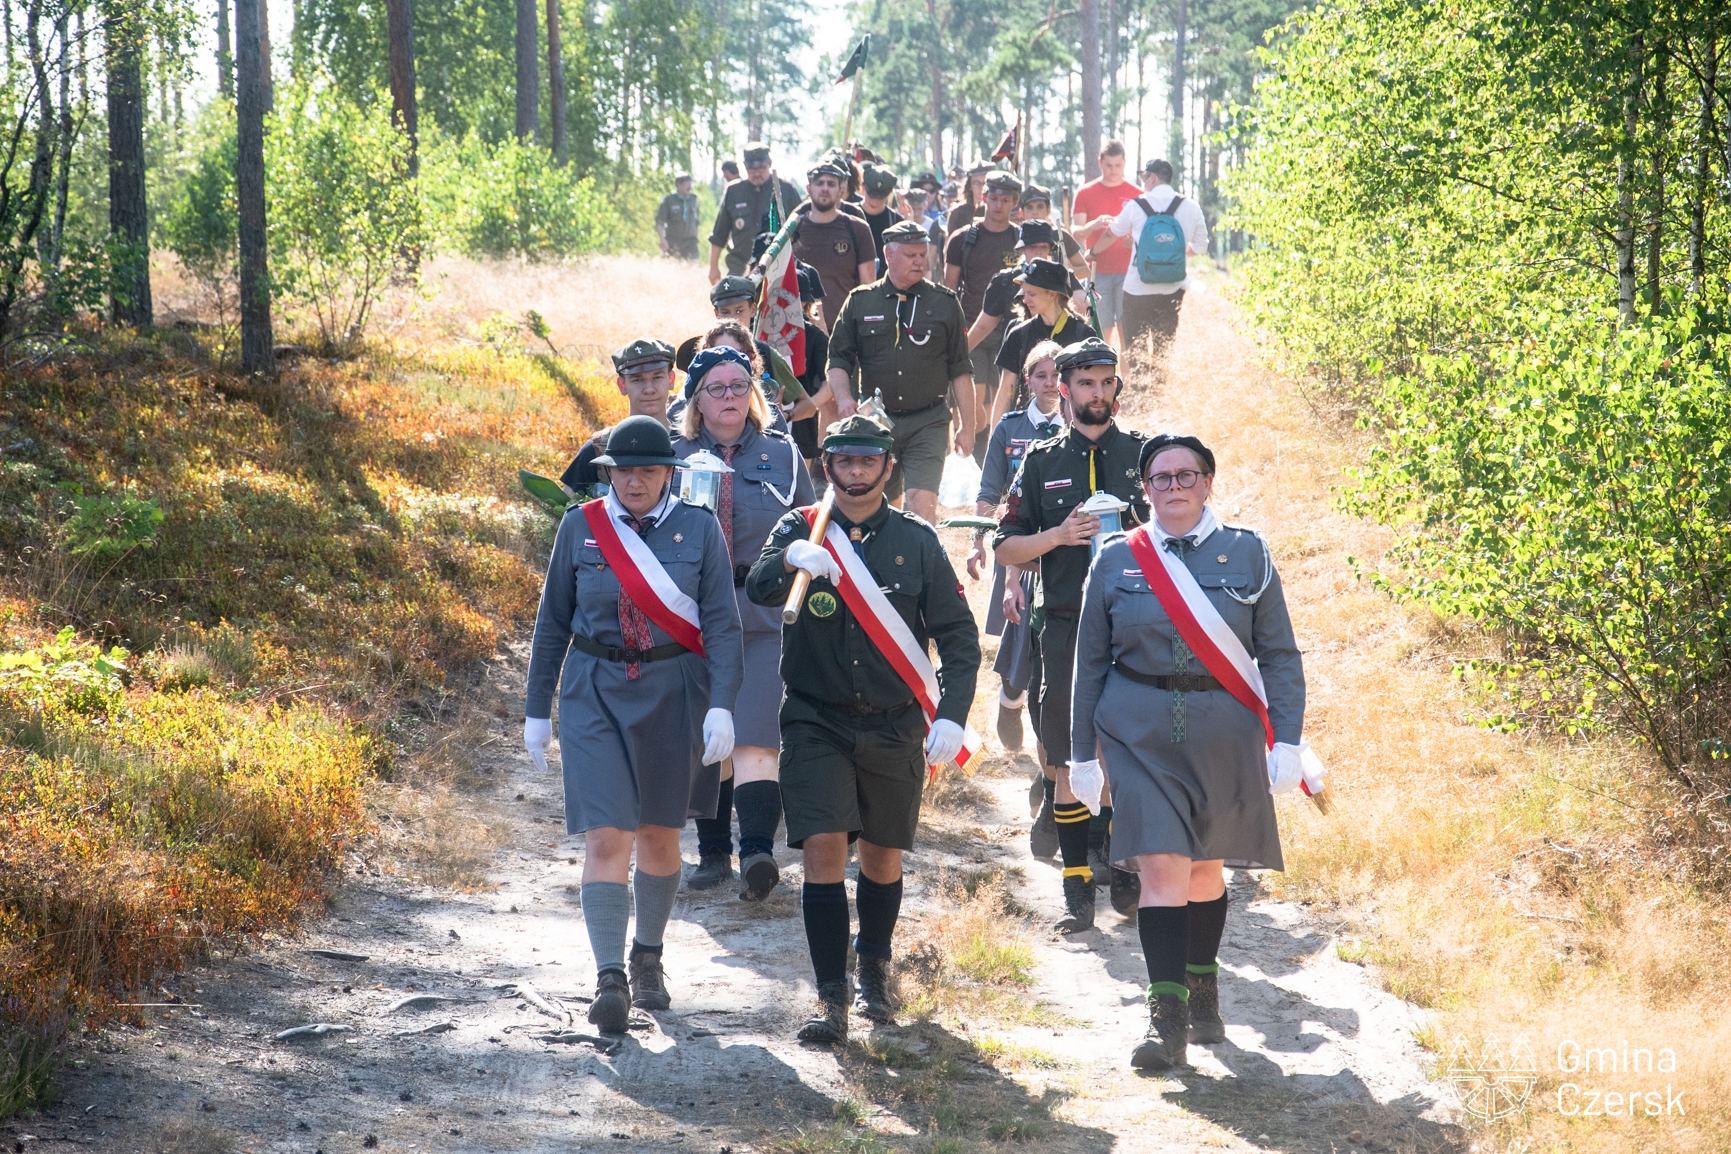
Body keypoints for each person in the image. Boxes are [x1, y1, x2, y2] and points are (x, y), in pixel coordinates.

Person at [1070, 433, 1307, 1070]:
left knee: (1205, 873)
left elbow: (1279, 655)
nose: (1173, 487)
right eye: (1160, 477)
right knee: (1162, 869)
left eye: (1186, 475)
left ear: (1207, 482)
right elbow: (1088, 664)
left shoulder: (1248, 553)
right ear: (1143, 488)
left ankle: (1203, 988)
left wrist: (1288, 738)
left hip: (1222, 733)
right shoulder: (1117, 559)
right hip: (1137, 733)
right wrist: (1081, 755)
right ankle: (1165, 1018)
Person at [746, 413, 980, 1042]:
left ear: (887, 468)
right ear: (828, 467)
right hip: (815, 720)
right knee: (822, 849)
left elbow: (959, 638)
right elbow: (760, 584)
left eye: (866, 463)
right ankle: (831, 1000)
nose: (854, 474)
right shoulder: (800, 525)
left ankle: (873, 968)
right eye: (843, 462)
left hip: (894, 725)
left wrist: (953, 716)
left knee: (880, 855)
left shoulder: (918, 541)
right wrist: (791, 557)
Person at [523, 415, 745, 1032]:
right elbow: (552, 624)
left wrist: (723, 702)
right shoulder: (580, 528)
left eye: (649, 470)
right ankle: (608, 979)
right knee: (606, 836)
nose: (636, 482)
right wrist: (537, 710)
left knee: (658, 835)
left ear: (668, 473)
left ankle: (647, 956)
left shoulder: (699, 531)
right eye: (624, 471)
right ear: (609, 474)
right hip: (594, 691)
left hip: (673, 691)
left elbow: (723, 626)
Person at [992, 338, 1148, 933]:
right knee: (1064, 756)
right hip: (1062, 625)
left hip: (1135, 626)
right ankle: (1076, 887)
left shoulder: (1144, 456)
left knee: (1124, 752)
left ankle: (1124, 861)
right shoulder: (1039, 461)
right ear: (1063, 388)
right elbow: (1005, 544)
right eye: (1086, 384)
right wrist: (1057, 536)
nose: (1099, 394)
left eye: (1108, 383)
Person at [674, 348, 816, 899]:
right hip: (694, 616)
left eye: (739, 386)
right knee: (711, 737)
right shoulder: (673, 455)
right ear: (696, 400)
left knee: (757, 734)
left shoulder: (782, 455)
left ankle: (757, 851)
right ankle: (714, 853)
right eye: (716, 388)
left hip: (762, 614)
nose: (729, 397)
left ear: (753, 393)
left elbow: (811, 525)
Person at [826, 219, 974, 525]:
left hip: (928, 421)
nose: (920, 261)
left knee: (921, 506)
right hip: (877, 423)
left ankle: (922, 570)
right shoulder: (860, 301)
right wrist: (843, 399)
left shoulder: (945, 303)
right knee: (882, 508)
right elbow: (838, 360)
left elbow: (961, 369)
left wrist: (968, 425)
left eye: (923, 254)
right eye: (911, 255)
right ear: (888, 254)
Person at [965, 340, 1065, 769]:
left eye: (1058, 376)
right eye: (1041, 375)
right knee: (1018, 631)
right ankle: (1011, 697)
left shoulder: (1075, 425)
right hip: (1017, 546)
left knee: (1047, 637)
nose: (1050, 384)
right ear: (1028, 381)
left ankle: (1036, 711)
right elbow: (989, 490)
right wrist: (976, 541)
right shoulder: (1009, 428)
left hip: (1060, 549)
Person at [1089, 158, 1209, 360]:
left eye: (1145, 178)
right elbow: (1200, 247)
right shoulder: (1191, 206)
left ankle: (1140, 390)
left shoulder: (1136, 205)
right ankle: (1159, 390)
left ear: (1152, 177)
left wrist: (1092, 252)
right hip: (1172, 287)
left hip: (1137, 288)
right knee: (1163, 350)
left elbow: (1112, 233)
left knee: (1137, 350)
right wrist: (1171, 252)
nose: (1144, 183)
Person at [946, 171, 1024, 458]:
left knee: (1001, 402)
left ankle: (989, 460)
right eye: (993, 198)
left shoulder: (1022, 239)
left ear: (1015, 203)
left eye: (1005, 200)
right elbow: (949, 290)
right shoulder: (962, 239)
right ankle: (980, 453)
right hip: (971, 326)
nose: (998, 205)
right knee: (975, 403)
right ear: (984, 198)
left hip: (1011, 328)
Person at [560, 339, 677, 498]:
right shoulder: (599, 450)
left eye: (657, 377)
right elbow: (561, 515)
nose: (649, 389)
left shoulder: (690, 445)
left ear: (671, 380)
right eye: (637, 379)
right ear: (622, 385)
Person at [992, 259, 1097, 426]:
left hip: (1074, 429)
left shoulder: (1084, 335)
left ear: (1052, 294)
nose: (1025, 300)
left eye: (1031, 294)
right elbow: (1005, 390)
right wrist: (994, 441)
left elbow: (1096, 388)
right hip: (1028, 428)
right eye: (1024, 293)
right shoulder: (1018, 335)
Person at [1071, 140, 1142, 350]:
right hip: (1097, 273)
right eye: (1108, 165)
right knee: (1100, 333)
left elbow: (1144, 234)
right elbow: (1074, 233)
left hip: (1129, 273)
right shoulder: (1085, 192)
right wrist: (1093, 226)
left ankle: (1128, 383)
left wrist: (1133, 242)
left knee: (1127, 334)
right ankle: (1106, 379)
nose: (1113, 170)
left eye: (1118, 166)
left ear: (1125, 163)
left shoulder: (1137, 194)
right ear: (1100, 163)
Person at [793, 161, 878, 331]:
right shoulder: (793, 230)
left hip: (845, 331)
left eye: (831, 184)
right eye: (819, 183)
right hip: (801, 331)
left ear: (841, 190)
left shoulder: (858, 229)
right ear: (809, 188)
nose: (825, 188)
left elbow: (867, 289)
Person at [708, 142, 803, 282]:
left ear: (769, 164)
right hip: (740, 267)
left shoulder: (786, 190)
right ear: (745, 167)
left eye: (761, 168)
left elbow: (802, 231)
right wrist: (713, 267)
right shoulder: (734, 192)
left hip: (777, 268)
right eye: (751, 169)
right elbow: (719, 234)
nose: (757, 173)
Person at [1016, 185, 1088, 278]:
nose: (1035, 212)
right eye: (1029, 207)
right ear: (1022, 212)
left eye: (1040, 206)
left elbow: (1085, 271)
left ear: (1048, 210)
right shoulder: (1016, 234)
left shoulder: (1060, 236)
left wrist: (1058, 272)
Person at [859, 163, 901, 273]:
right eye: (871, 194)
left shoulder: (896, 221)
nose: (875, 200)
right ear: (863, 188)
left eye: (880, 196)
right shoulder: (849, 214)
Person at [657, 174, 702, 261]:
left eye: (690, 184)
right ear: (679, 185)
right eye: (687, 184)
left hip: (690, 241)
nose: (690, 186)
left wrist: (696, 239)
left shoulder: (694, 199)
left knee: (693, 268)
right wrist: (662, 239)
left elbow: (696, 222)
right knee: (669, 267)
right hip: (673, 240)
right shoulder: (669, 200)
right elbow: (660, 222)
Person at [945, 160, 995, 232]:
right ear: (970, 185)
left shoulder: (996, 211)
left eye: (985, 183)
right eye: (977, 183)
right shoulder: (957, 212)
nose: (981, 187)